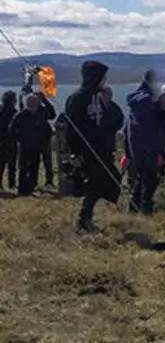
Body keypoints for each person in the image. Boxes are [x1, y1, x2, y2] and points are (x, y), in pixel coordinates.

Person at [64, 61, 124, 232]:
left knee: (112, 181)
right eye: (103, 77)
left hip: (103, 149)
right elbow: (71, 128)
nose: (105, 80)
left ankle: (87, 217)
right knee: (95, 182)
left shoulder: (104, 97)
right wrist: (75, 153)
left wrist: (108, 104)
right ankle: (83, 219)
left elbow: (117, 123)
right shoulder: (78, 99)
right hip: (86, 150)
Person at [126, 72, 165, 214]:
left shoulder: (140, 98)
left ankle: (134, 207)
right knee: (150, 177)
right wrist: (161, 107)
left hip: (142, 143)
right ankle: (146, 208)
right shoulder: (146, 100)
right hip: (145, 143)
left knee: (143, 176)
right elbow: (151, 121)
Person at [11, 93, 53, 197]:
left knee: (35, 166)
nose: (32, 106)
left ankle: (31, 186)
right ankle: (22, 189)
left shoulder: (42, 112)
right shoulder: (21, 115)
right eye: (30, 104)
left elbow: (52, 114)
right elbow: (12, 129)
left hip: (38, 144)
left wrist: (45, 100)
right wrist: (19, 139)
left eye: (34, 103)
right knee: (23, 167)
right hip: (25, 145)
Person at [0, 91, 17, 190]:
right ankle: (12, 183)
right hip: (10, 141)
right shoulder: (14, 112)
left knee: (1, 164)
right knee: (12, 164)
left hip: (2, 141)